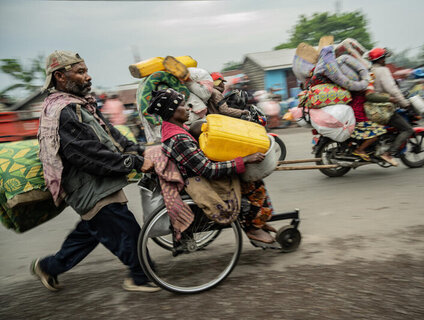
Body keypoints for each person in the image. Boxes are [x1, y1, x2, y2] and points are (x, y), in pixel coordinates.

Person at [31, 50, 160, 293]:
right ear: (59, 76)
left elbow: (112, 135)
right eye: (80, 72)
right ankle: (139, 276)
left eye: (86, 70)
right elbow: (86, 154)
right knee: (128, 232)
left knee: (90, 233)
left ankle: (48, 267)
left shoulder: (81, 105)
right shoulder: (62, 111)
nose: (88, 77)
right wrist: (133, 162)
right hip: (89, 188)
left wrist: (140, 151)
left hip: (100, 184)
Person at [147, 88, 276, 243]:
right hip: (202, 181)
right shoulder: (178, 139)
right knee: (253, 182)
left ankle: (258, 221)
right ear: (172, 112)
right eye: (183, 105)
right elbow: (207, 169)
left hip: (198, 174)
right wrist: (245, 160)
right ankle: (253, 226)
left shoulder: (176, 130)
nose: (189, 109)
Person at [368, 47, 414, 157]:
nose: (385, 60)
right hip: (383, 108)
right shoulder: (383, 70)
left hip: (370, 107)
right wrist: (405, 103)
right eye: (384, 58)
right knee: (407, 129)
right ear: (380, 60)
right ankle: (390, 152)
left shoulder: (370, 70)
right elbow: (392, 89)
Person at [348, 92, 398, 166]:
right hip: (359, 118)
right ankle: (359, 150)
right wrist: (389, 99)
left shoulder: (354, 93)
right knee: (379, 130)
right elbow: (374, 97)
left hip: (356, 116)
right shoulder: (363, 93)